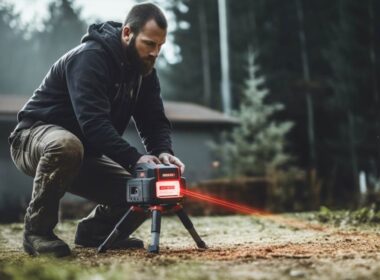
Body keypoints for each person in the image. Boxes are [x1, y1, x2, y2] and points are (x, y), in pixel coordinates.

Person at [8, 3, 184, 257]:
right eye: (149, 44)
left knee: (145, 191)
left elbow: (154, 120)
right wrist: (136, 159)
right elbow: (94, 124)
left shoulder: (145, 72)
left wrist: (163, 152)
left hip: (82, 153)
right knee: (67, 146)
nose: (155, 53)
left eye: (160, 46)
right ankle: (37, 233)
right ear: (127, 33)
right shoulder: (90, 58)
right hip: (32, 138)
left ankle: (96, 232)